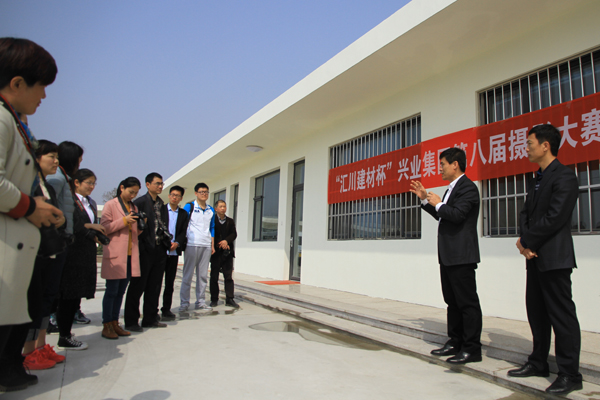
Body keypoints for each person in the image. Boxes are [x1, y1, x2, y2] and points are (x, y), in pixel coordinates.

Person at [0, 37, 61, 392]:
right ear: (17, 83)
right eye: (41, 86)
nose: (44, 95)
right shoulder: (2, 120)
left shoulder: (13, 122)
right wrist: (30, 206)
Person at [508, 124, 583, 395]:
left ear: (545, 145)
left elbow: (556, 217)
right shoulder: (536, 179)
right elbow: (526, 213)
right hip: (534, 257)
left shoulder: (565, 176)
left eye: (529, 143)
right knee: (537, 313)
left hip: (555, 258)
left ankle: (570, 374)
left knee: (562, 316)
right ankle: (538, 362)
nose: (526, 148)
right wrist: (524, 243)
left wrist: (527, 241)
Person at [410, 147, 483, 364]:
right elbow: (444, 216)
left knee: (467, 303)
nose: (439, 168)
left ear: (455, 164)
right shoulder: (452, 189)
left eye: (442, 164)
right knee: (452, 301)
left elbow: (458, 215)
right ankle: (455, 341)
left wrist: (439, 203)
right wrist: (426, 201)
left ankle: (472, 348)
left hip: (462, 256)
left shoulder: (468, 188)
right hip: (449, 255)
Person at [22, 140, 67, 370]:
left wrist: (61, 218)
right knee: (33, 302)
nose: (56, 161)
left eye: (57, 157)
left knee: (44, 300)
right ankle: (28, 351)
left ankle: (40, 347)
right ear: (36, 157)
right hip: (34, 251)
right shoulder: (28, 183)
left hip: (49, 251)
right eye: (52, 156)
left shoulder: (47, 186)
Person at [56, 169, 104, 350]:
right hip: (72, 254)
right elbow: (73, 224)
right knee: (68, 296)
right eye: (88, 183)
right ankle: (64, 336)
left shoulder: (90, 203)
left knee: (76, 296)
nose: (91, 187)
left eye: (93, 183)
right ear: (76, 182)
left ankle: (66, 332)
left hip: (86, 253)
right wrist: (90, 230)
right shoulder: (69, 200)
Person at [43, 141, 84, 337]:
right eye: (79, 159)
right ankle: (40, 339)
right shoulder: (57, 180)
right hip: (56, 241)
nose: (80, 163)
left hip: (63, 239)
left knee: (54, 290)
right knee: (49, 292)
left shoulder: (64, 179)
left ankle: (42, 339)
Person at [124, 173, 168, 330]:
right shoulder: (139, 203)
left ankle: (150, 318)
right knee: (138, 286)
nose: (160, 186)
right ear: (148, 185)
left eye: (161, 184)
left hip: (159, 249)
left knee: (155, 286)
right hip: (144, 250)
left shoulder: (162, 204)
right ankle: (131, 321)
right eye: (157, 183)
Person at [100, 177, 142, 340]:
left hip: (130, 255)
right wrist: (125, 220)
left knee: (120, 292)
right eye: (131, 192)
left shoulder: (134, 207)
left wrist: (140, 224)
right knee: (111, 291)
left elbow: (133, 232)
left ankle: (115, 323)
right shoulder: (111, 205)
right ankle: (107, 325)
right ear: (122, 188)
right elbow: (104, 228)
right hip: (116, 254)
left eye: (136, 193)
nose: (133, 195)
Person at [180, 183, 215, 312]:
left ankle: (200, 301)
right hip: (192, 244)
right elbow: (182, 223)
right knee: (187, 275)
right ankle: (184, 303)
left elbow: (212, 228)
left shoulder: (211, 210)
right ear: (196, 193)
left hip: (206, 245)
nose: (204, 194)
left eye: (206, 192)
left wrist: (212, 244)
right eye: (201, 192)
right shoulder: (189, 207)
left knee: (203, 276)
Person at [160, 186, 188, 320]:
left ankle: (166, 309)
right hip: (160, 251)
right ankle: (152, 309)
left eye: (177, 196)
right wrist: (166, 243)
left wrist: (177, 243)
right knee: (156, 283)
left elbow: (183, 231)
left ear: (181, 198)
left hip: (173, 252)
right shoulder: (161, 210)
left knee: (169, 283)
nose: (174, 197)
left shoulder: (183, 214)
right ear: (169, 196)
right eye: (172, 195)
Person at [209, 200, 238, 308]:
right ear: (216, 208)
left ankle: (230, 299)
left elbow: (234, 234)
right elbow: (211, 234)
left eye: (224, 206)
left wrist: (226, 241)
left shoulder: (230, 221)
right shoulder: (212, 220)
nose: (223, 208)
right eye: (220, 206)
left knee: (228, 276)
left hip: (227, 252)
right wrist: (220, 243)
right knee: (214, 277)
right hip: (216, 253)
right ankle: (214, 299)